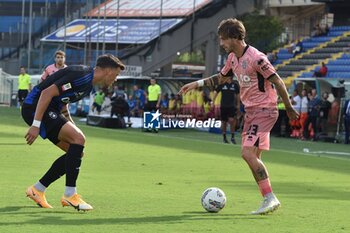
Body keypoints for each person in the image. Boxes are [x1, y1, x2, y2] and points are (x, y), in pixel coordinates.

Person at [179, 18, 299, 215]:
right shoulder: (233, 58)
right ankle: (267, 198)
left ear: (234, 37)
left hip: (265, 110)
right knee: (254, 158)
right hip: (251, 112)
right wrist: (196, 84)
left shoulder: (257, 58)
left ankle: (270, 198)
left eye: (223, 39)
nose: (221, 43)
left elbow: (278, 82)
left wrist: (289, 107)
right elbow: (221, 77)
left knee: (247, 154)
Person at [21, 54, 125, 211]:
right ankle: (70, 194)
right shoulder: (82, 75)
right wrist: (36, 124)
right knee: (78, 140)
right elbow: (46, 93)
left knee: (76, 153)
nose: (115, 79)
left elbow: (63, 105)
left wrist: (72, 126)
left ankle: (37, 189)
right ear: (108, 71)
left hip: (50, 109)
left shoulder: (88, 84)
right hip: (34, 107)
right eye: (116, 75)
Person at [212, 78, 240, 144]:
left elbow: (238, 95)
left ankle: (232, 137)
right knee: (224, 122)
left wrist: (238, 104)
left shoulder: (235, 85)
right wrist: (213, 101)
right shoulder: (222, 84)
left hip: (231, 106)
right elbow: (216, 92)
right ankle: (224, 137)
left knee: (231, 120)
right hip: (223, 106)